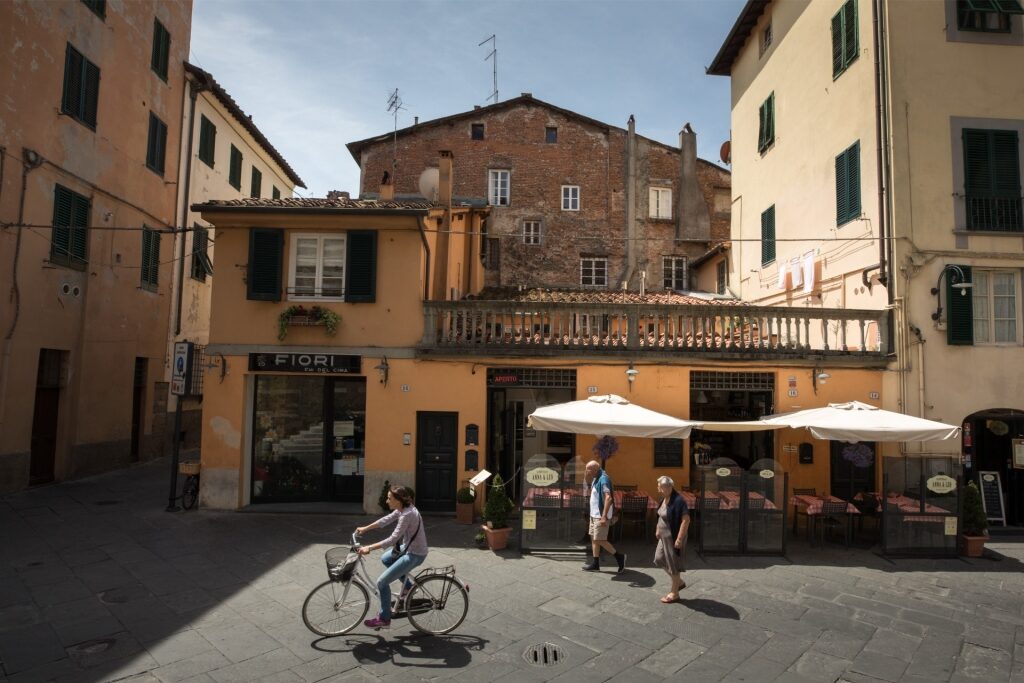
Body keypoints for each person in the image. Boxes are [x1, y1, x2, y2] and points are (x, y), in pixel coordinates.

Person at [355, 485, 427, 630]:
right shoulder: (402, 509)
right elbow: (385, 520)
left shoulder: (407, 515)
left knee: (381, 582)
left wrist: (369, 547)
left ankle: (384, 618)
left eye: (389, 498)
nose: (387, 501)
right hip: (408, 548)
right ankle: (408, 587)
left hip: (414, 554)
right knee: (386, 559)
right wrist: (366, 528)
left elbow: (392, 540)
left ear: (398, 500)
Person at [582, 460, 626, 573]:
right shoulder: (596, 477)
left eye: (588, 469)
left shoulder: (603, 479)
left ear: (595, 469)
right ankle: (595, 563)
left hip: (600, 515)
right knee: (594, 539)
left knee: (599, 539)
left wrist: (604, 516)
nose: (587, 471)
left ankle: (619, 557)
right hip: (594, 514)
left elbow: (608, 498)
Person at [653, 475, 689, 603]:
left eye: (660, 487)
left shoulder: (678, 501)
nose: (659, 489)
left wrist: (679, 539)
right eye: (659, 487)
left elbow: (686, 520)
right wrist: (658, 529)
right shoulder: (664, 498)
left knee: (673, 565)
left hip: (673, 537)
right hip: (663, 537)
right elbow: (660, 515)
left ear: (669, 487)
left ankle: (675, 593)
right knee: (659, 558)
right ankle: (678, 582)